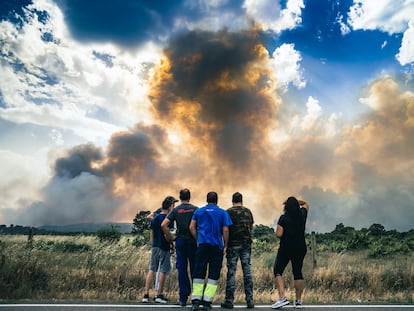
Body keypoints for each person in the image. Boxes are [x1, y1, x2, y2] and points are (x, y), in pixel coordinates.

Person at [189, 191, 233, 311]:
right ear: (216, 200)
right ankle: (207, 302)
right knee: (213, 275)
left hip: (202, 245)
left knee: (198, 273)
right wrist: (225, 245)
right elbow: (225, 230)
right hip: (216, 247)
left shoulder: (199, 211)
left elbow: (191, 227)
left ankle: (195, 301)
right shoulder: (223, 213)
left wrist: (197, 239)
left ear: (207, 200)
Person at [161, 188, 198, 306]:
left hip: (181, 241)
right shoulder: (195, 209)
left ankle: (183, 298)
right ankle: (196, 298)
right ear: (189, 197)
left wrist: (171, 238)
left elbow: (163, 224)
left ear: (180, 197)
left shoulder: (176, 210)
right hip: (192, 241)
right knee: (194, 270)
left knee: (182, 269)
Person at [271, 197, 309, 309]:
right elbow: (306, 204)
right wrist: (298, 202)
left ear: (286, 207)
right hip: (300, 248)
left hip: (286, 248)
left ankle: (282, 297)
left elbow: (278, 234)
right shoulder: (302, 214)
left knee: (278, 271)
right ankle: (298, 301)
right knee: (297, 272)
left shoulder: (284, 218)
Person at [221, 192, 255, 309]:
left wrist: (225, 244)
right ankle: (250, 300)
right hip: (246, 244)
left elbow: (225, 229)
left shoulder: (228, 212)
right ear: (242, 200)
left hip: (233, 245)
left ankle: (229, 300)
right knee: (247, 272)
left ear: (232, 200)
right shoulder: (248, 211)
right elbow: (251, 226)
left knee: (231, 272)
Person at [142, 196, 176, 304]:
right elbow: (167, 236)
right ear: (170, 206)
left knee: (152, 269)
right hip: (164, 246)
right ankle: (159, 295)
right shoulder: (168, 220)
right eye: (173, 205)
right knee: (163, 270)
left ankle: (146, 295)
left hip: (155, 246)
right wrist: (172, 243)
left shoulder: (155, 219)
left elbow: (151, 234)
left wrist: (153, 245)